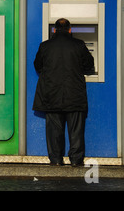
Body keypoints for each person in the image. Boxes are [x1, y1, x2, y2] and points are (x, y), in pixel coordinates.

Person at [32, 18, 94, 167]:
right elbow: (89, 64)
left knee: (54, 131)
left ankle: (56, 160)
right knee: (76, 131)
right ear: (70, 29)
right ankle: (76, 160)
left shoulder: (45, 46)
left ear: (54, 30)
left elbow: (37, 66)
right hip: (74, 95)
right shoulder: (79, 45)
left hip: (52, 95)